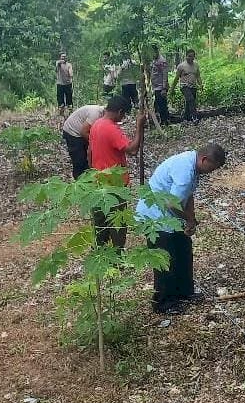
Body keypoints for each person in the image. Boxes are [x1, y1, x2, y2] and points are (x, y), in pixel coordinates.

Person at [136, 144, 226, 315]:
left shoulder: (192, 164)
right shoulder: (185, 170)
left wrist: (190, 219)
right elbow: (172, 203)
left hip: (170, 215)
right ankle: (163, 302)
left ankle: (184, 292)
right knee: (165, 258)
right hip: (155, 215)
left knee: (183, 250)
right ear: (204, 160)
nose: (211, 172)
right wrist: (189, 219)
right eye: (212, 168)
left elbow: (188, 193)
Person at [88, 95, 145, 247]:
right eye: (124, 114)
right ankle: (117, 257)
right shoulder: (111, 129)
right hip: (115, 184)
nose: (123, 117)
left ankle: (100, 254)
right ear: (120, 112)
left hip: (98, 181)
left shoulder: (95, 125)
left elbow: (90, 152)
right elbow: (132, 150)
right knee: (118, 223)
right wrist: (139, 126)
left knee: (100, 222)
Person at [62, 104, 105, 179]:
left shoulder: (101, 114)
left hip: (80, 131)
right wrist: (96, 143)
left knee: (87, 157)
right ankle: (79, 181)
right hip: (72, 132)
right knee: (79, 159)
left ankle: (87, 177)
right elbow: (83, 132)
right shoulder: (95, 114)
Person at [170, 49, 202, 123]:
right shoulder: (181, 66)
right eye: (189, 56)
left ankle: (185, 118)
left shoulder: (196, 65)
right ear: (186, 56)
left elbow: (198, 76)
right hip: (184, 86)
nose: (191, 58)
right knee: (191, 99)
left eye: (192, 56)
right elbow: (176, 78)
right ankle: (194, 117)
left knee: (189, 103)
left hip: (193, 86)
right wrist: (172, 88)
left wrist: (200, 85)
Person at [150, 44, 169, 125]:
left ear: (156, 51)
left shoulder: (162, 61)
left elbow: (165, 75)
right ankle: (162, 120)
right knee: (158, 104)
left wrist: (164, 88)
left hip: (161, 87)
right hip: (155, 86)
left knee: (162, 105)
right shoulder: (153, 60)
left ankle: (165, 121)